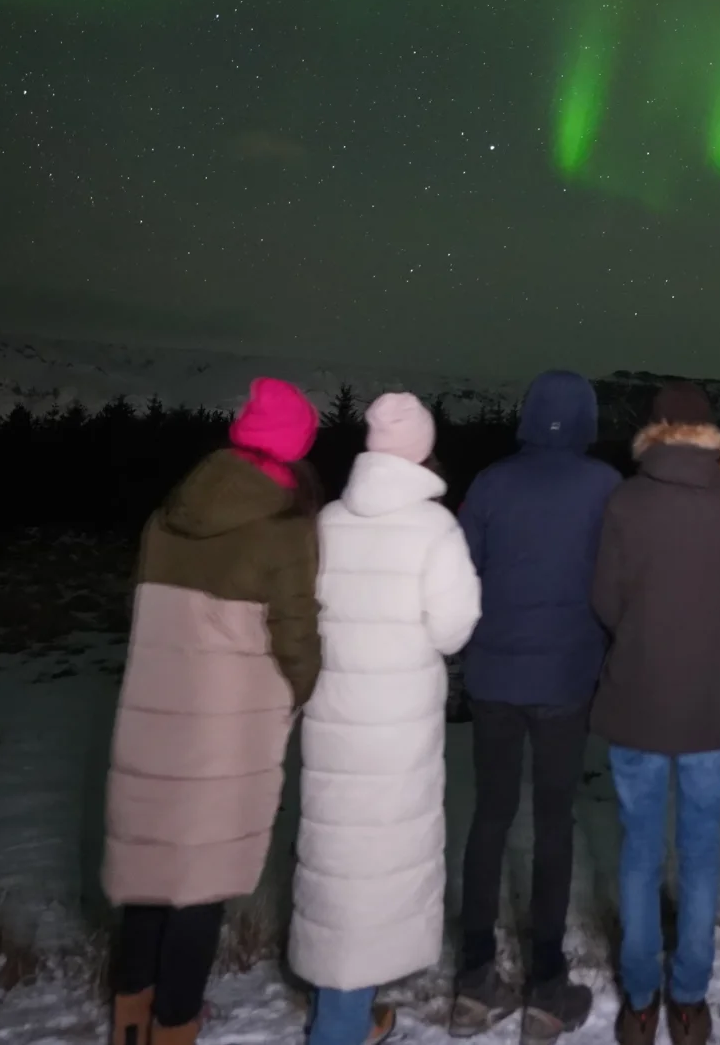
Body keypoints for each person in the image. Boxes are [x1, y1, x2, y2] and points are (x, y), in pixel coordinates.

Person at [105, 378, 324, 1045]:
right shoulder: (283, 526)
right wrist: (303, 687)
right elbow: (296, 634)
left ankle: (130, 1020)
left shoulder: (168, 513)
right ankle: (177, 1023)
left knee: (148, 866)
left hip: (152, 706)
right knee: (200, 879)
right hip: (228, 724)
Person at [290, 393, 483, 1045]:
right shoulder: (435, 530)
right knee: (373, 862)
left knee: (339, 859)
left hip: (334, 711)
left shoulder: (329, 520)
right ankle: (340, 1024)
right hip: (398, 724)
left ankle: (343, 1008)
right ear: (423, 449)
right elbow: (454, 630)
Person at [590, 382, 720, 1045]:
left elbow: (605, 599)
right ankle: (688, 999)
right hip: (710, 704)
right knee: (699, 853)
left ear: (655, 431)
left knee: (638, 853)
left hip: (637, 696)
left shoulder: (626, 499)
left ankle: (640, 1000)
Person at [451, 371, 621, 1038]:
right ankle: (547, 987)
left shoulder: (492, 482)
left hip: (494, 675)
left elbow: (463, 569)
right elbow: (615, 577)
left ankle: (473, 978)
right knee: (554, 822)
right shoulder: (604, 486)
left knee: (490, 817)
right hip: (566, 679)